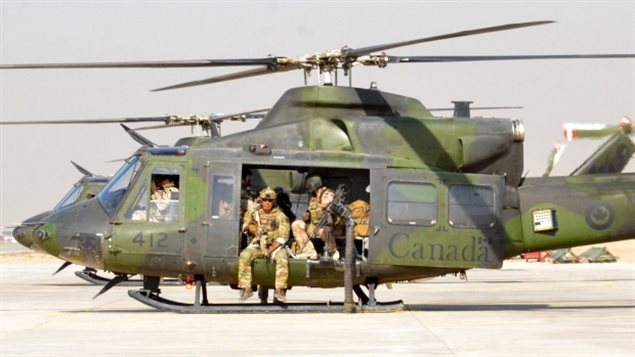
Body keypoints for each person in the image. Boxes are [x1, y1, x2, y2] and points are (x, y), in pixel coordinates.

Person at [238, 187, 290, 302]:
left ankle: (280, 289)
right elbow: (243, 226)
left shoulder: (280, 215)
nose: (267, 203)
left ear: (274, 201)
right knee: (244, 256)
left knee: (282, 258)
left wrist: (270, 250)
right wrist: (251, 227)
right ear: (260, 200)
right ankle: (245, 288)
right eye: (264, 200)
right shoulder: (253, 212)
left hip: (274, 246)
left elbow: (283, 236)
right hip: (257, 245)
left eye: (270, 201)